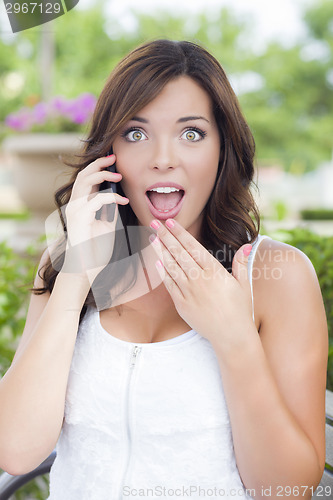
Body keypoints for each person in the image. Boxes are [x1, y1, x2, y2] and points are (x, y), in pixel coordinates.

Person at [0, 39, 328, 500]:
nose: (162, 157)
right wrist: (76, 276)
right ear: (107, 153)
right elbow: (15, 450)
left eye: (191, 133)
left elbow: (286, 488)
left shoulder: (277, 275)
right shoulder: (66, 262)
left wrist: (234, 339)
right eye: (135, 133)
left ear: (223, 148)